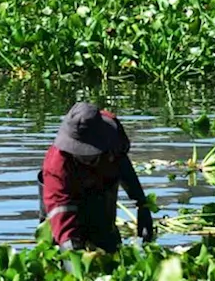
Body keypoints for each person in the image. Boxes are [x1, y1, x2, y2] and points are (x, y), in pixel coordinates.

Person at [39, 102, 154, 253]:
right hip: (65, 201)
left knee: (109, 248)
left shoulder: (113, 134)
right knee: (61, 247)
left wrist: (141, 204)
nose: (85, 158)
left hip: (100, 194)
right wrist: (72, 253)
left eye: (89, 153)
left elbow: (122, 164)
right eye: (80, 153)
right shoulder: (57, 165)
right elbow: (61, 210)